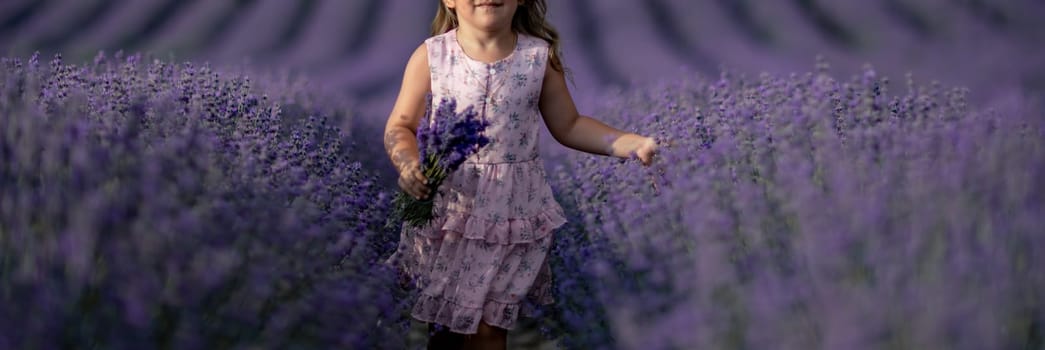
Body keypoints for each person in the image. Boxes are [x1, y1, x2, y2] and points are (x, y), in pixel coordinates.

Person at [383, 1, 657, 349]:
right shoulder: (432, 56)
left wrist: (629, 143)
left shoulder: (537, 59)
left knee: (489, 326)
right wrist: (408, 165)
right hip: (450, 209)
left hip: (511, 212)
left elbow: (570, 125)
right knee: (445, 327)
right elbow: (401, 125)